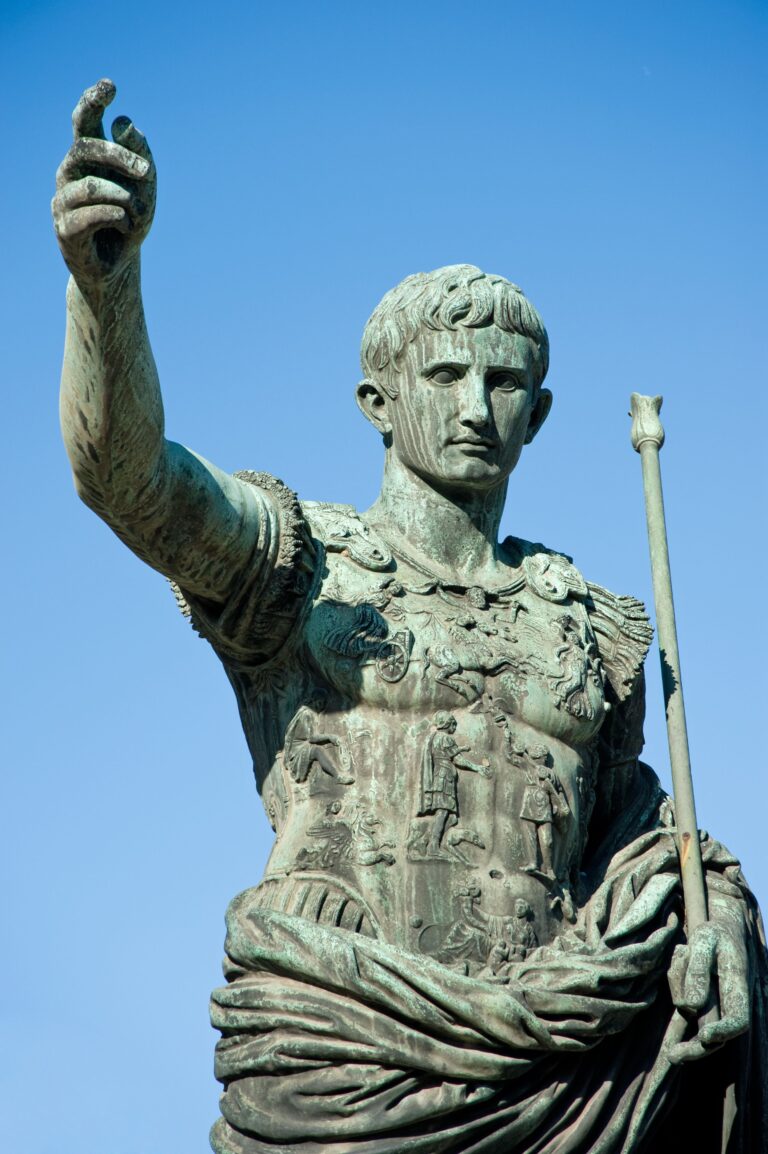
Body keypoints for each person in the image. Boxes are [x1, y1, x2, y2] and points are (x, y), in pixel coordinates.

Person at [53, 80, 767, 1153]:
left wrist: (716, 926)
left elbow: (643, 851)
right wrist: (106, 293)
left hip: (563, 1081)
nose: (477, 407)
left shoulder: (596, 629)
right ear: (377, 403)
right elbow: (130, 478)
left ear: (541, 413)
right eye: (445, 375)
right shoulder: (299, 566)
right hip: (337, 1060)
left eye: (505, 382)